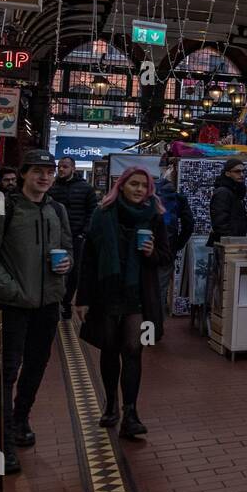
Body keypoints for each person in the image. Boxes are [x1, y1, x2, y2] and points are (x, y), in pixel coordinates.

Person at [0, 149, 73, 474]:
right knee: (7, 370)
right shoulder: (3, 206)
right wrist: (12, 291)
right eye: (37, 171)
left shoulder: (57, 209)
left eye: (50, 171)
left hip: (47, 306)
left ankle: (20, 419)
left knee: (36, 367)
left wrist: (67, 266)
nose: (44, 177)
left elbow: (68, 247)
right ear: (25, 174)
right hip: (13, 306)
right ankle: (3, 442)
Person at [76, 166, 170, 438]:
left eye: (144, 185)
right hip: (107, 292)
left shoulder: (154, 217)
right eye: (134, 184)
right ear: (122, 185)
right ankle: (111, 405)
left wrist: (152, 253)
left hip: (138, 295)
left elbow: (166, 256)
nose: (140, 190)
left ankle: (131, 412)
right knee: (109, 349)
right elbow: (89, 259)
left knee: (132, 350)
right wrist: (82, 298)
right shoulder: (102, 214)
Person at [49, 156, 98, 319]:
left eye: (65, 167)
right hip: (55, 236)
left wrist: (84, 232)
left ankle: (66, 302)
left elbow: (92, 212)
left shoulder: (85, 188)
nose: (61, 169)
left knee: (73, 271)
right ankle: (53, 300)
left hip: (76, 236)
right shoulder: (52, 187)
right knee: (54, 269)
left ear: (73, 169)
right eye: (59, 166)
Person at [154, 155, 194, 309]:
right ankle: (155, 327)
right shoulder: (178, 198)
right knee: (161, 289)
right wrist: (178, 244)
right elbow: (189, 225)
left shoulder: (149, 196)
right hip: (168, 248)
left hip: (146, 247)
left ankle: (143, 327)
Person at [208, 159, 247, 244]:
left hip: (233, 242)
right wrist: (232, 241)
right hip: (227, 244)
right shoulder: (223, 192)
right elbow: (220, 222)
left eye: (243, 171)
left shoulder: (235, 191)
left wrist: (246, 219)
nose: (242, 174)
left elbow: (233, 217)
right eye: (237, 171)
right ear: (227, 173)